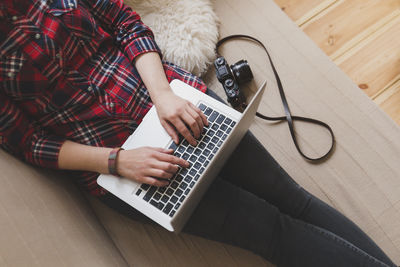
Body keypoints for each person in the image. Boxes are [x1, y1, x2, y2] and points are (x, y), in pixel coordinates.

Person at [0, 0, 396, 266]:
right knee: (271, 231)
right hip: (122, 165)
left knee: (296, 202)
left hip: (177, 103)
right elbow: (26, 140)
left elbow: (124, 22)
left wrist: (163, 95)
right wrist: (118, 161)